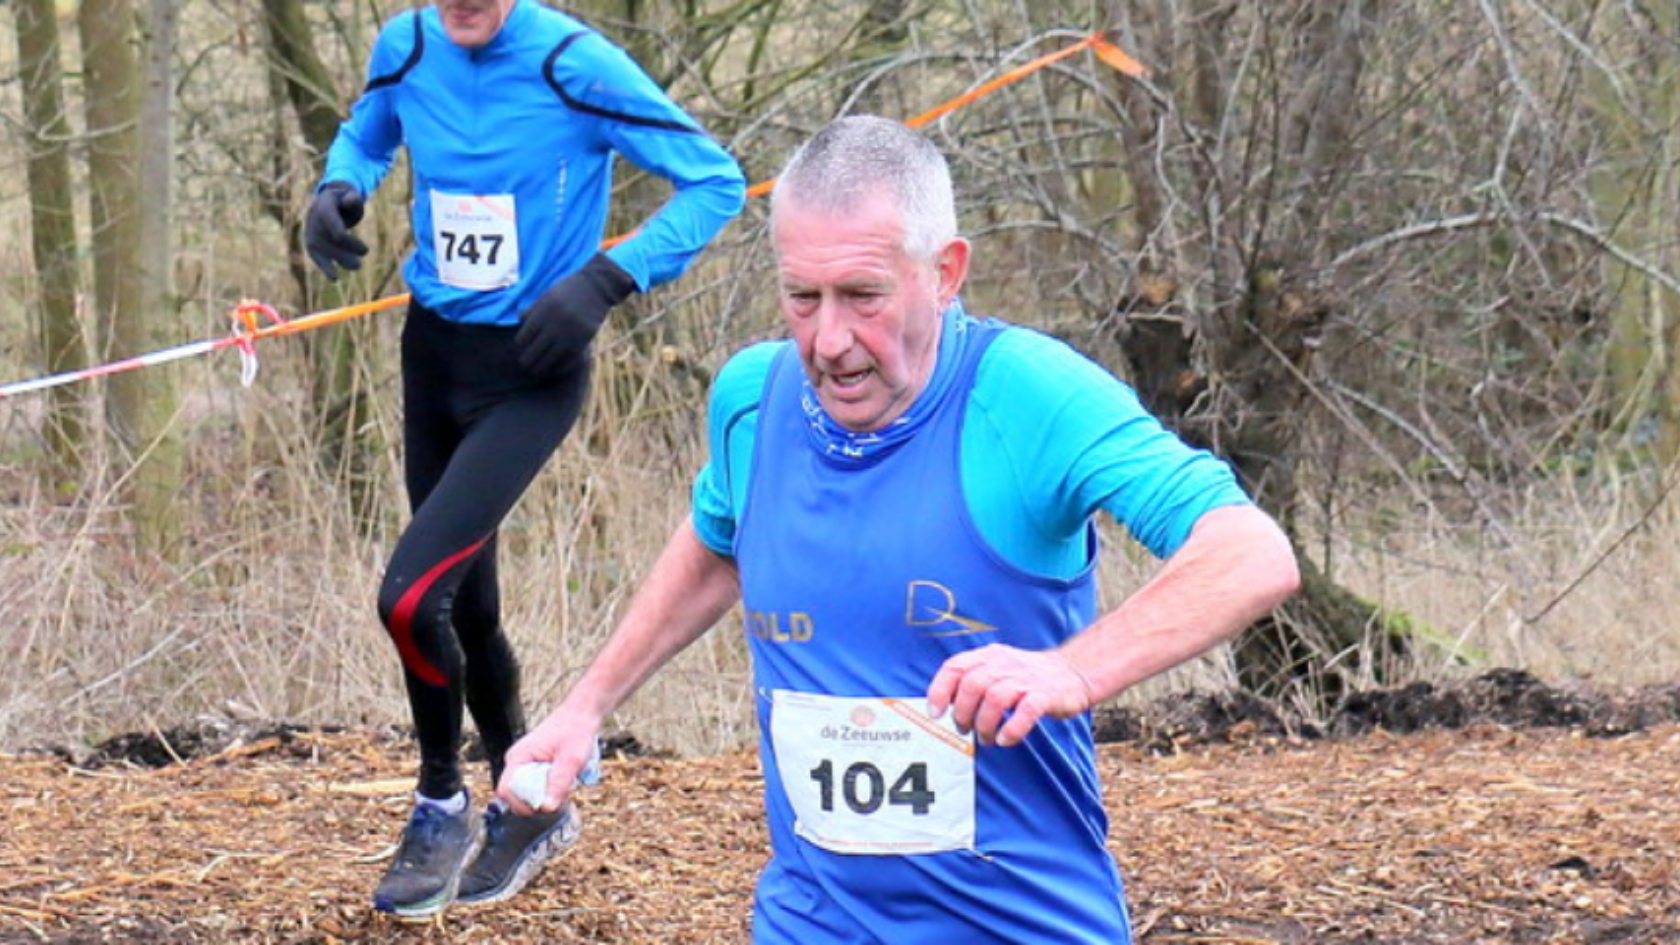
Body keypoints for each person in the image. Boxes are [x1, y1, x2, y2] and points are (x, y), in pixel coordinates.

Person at [502, 115, 1299, 943]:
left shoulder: (1028, 394)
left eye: (864, 296)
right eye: (802, 297)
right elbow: (718, 543)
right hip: (808, 921)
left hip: (1021, 923)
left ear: (945, 272)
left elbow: (1249, 552)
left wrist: (1073, 668)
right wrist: (585, 707)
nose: (830, 340)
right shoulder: (751, 397)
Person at [300, 0, 745, 920]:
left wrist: (606, 279)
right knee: (467, 604)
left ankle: (440, 802)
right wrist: (339, 187)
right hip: (434, 355)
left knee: (411, 598)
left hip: (532, 371)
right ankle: (524, 798)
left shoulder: (574, 63)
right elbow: (368, 132)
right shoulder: (408, 43)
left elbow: (714, 179)